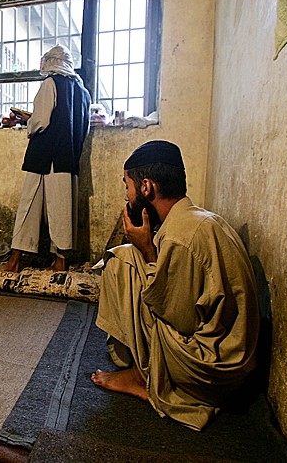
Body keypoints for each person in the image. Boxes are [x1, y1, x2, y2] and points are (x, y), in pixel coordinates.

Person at [90, 140, 260, 430]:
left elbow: (181, 319)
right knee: (131, 257)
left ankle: (143, 375)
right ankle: (144, 368)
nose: (126, 195)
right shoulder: (197, 218)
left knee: (121, 262)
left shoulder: (179, 236)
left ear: (146, 188)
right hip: (230, 362)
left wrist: (148, 252)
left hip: (207, 373)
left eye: (127, 186)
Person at [0, 45, 91, 273]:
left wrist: (28, 122)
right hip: (67, 158)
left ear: (51, 63)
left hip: (44, 156)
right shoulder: (83, 92)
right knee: (63, 209)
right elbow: (81, 127)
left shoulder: (50, 83)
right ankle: (60, 261)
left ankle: (15, 261)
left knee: (28, 204)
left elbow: (41, 121)